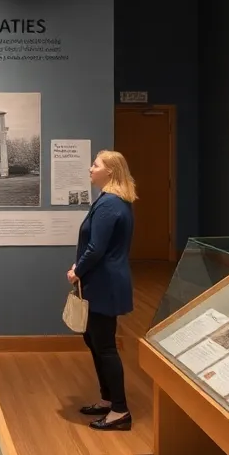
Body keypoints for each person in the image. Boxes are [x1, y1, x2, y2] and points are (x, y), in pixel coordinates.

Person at [68, 150, 136, 431]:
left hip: (103, 283)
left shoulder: (109, 204)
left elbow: (96, 248)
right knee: (94, 340)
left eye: (95, 165)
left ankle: (119, 410)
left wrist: (77, 271)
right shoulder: (113, 201)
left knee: (104, 346)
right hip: (104, 280)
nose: (90, 169)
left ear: (110, 172)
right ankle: (108, 400)